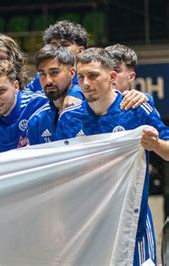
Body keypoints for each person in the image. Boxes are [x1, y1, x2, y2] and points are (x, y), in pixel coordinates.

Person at [55, 48, 169, 265]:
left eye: (93, 75)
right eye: (81, 77)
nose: (86, 83)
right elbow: (61, 176)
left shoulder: (136, 110)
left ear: (112, 77)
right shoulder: (69, 118)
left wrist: (156, 145)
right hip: (88, 223)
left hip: (133, 223)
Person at [26, 45, 77, 145]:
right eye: (42, 74)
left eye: (54, 72)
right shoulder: (36, 121)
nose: (48, 81)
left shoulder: (89, 112)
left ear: (71, 73)